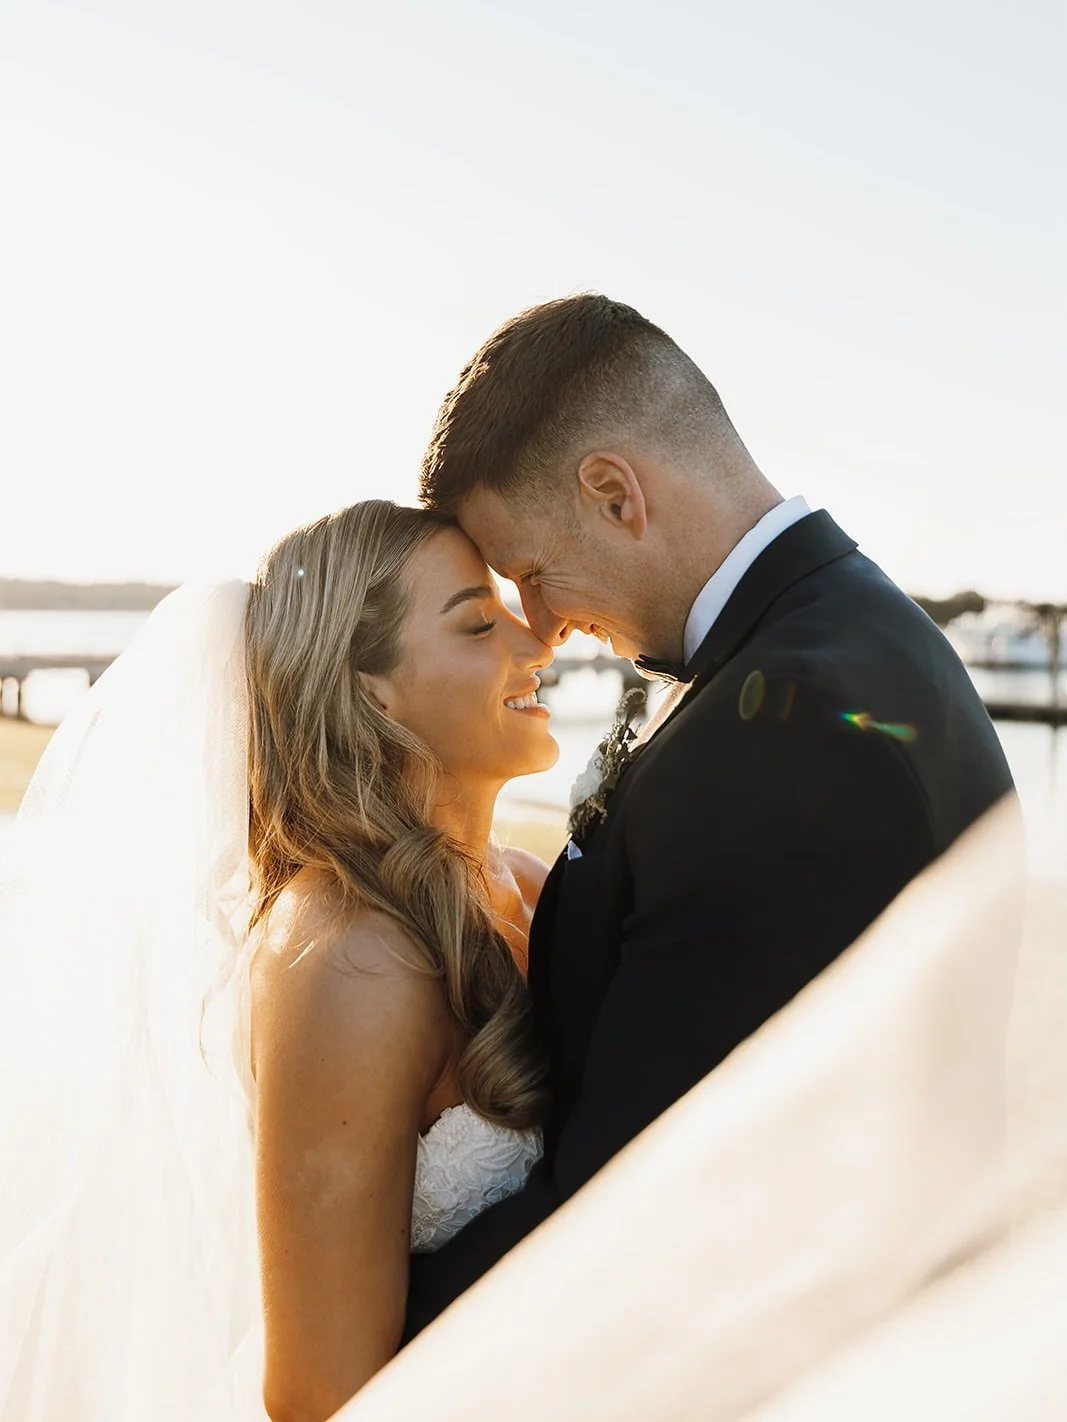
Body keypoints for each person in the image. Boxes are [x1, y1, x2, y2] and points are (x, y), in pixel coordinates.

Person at [402, 292, 1016, 1336]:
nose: (540, 629)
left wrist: (351, 1339)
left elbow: (630, 1222)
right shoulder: (824, 633)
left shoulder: (787, 728)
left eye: (533, 577)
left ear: (612, 492)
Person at [0, 500, 559, 1421]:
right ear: (371, 689)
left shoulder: (529, 887)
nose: (534, 644)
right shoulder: (347, 951)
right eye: (476, 622)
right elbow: (318, 1392)